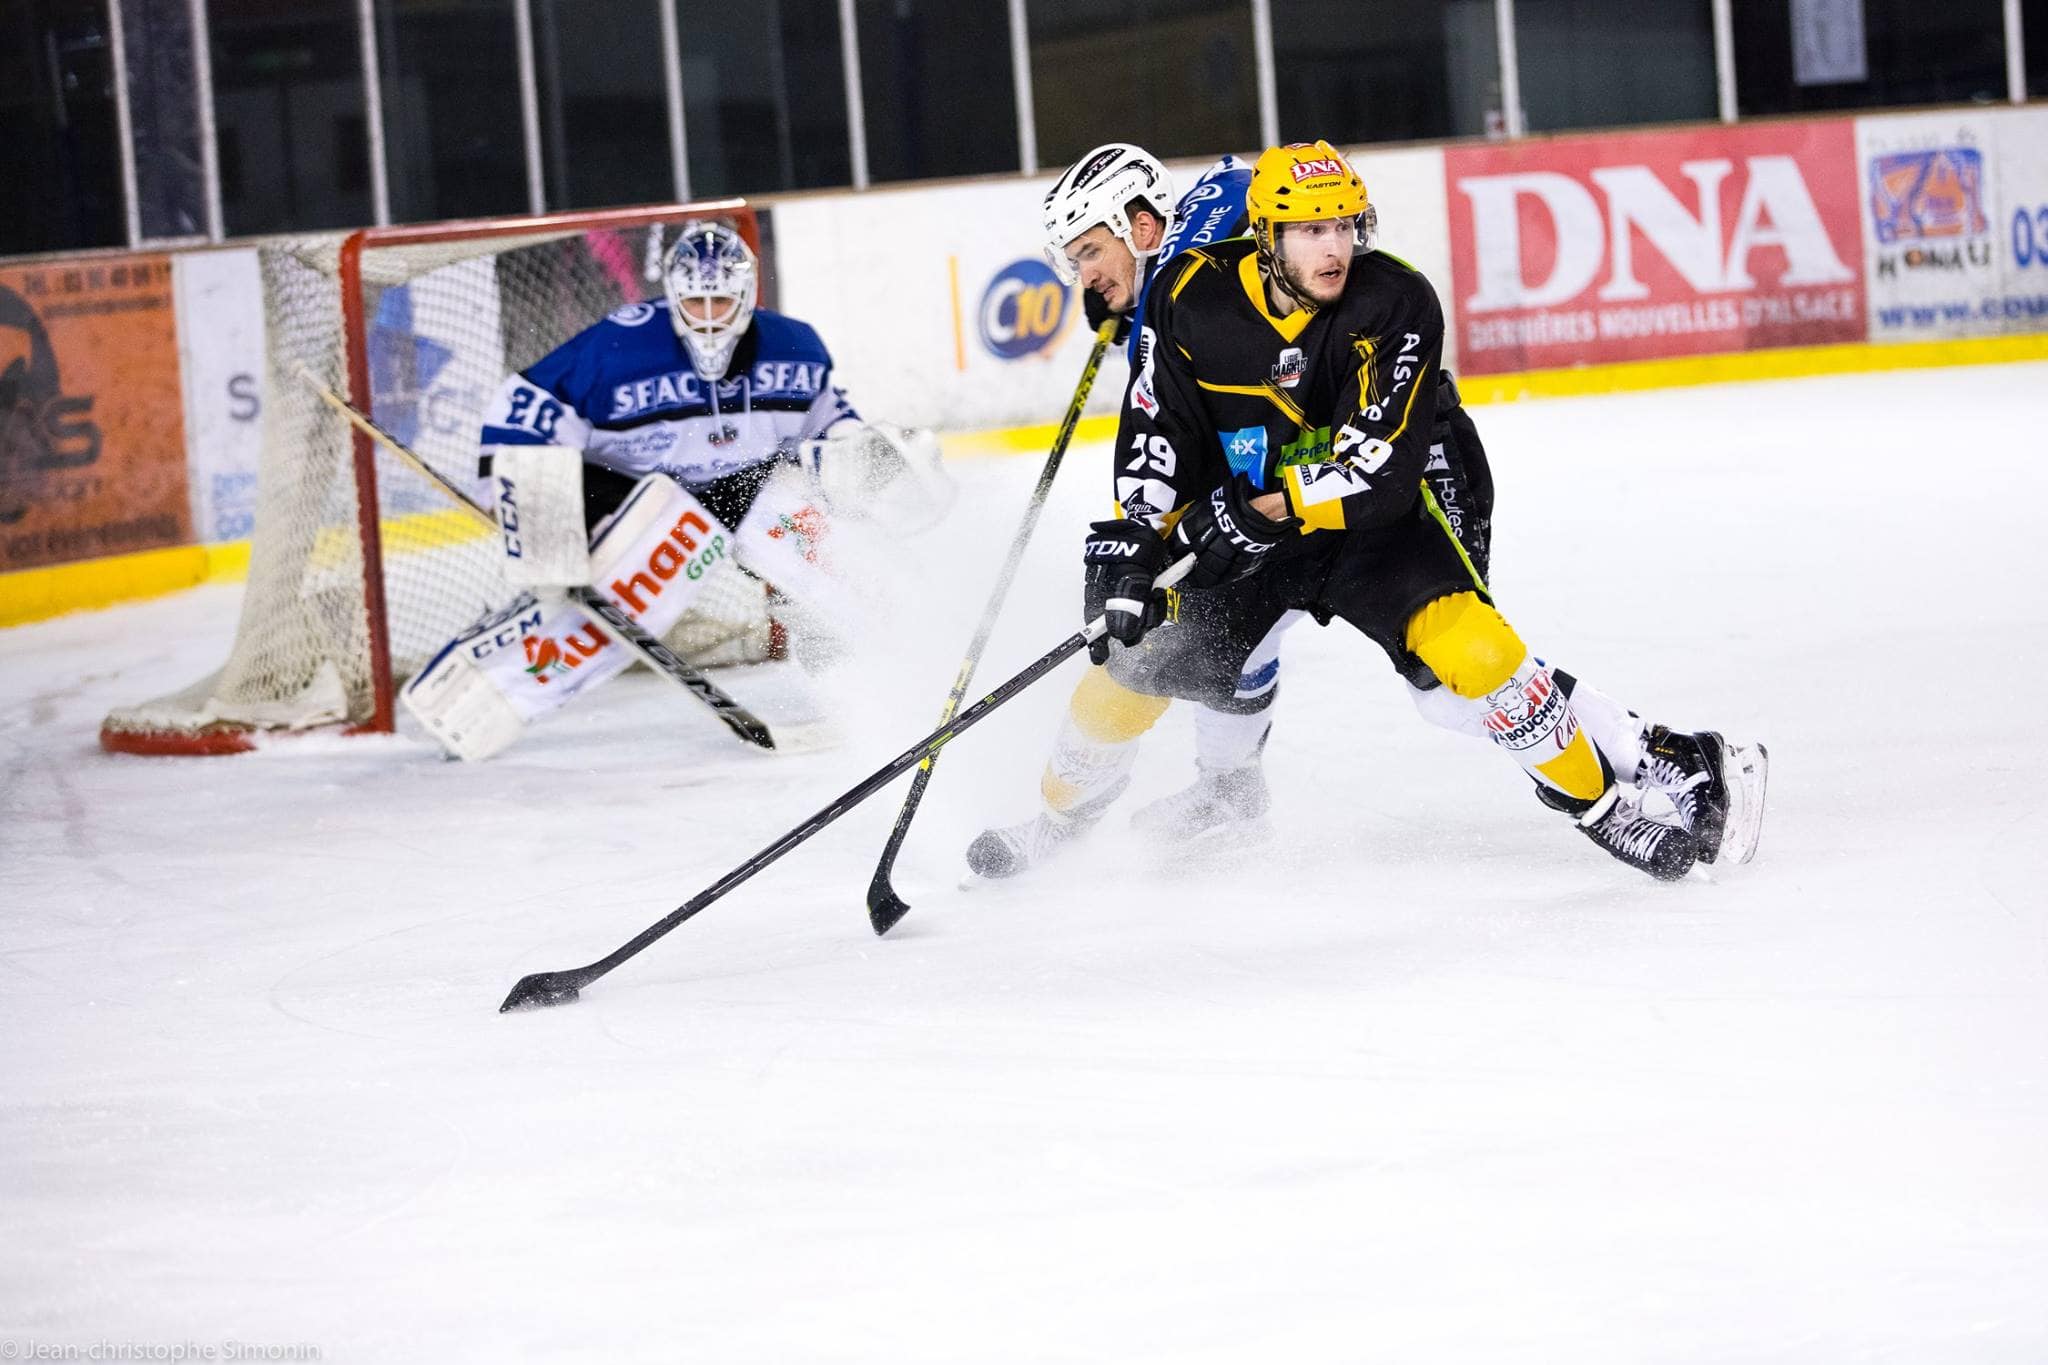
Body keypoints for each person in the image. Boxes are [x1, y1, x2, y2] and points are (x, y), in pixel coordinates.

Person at [973, 143, 1712, 879]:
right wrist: (1139, 531)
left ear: (1139, 224)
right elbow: (1173, 427)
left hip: (1408, 459)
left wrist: (1150, 325)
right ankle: (1225, 796)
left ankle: (1657, 753)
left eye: (1090, 253)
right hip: (1281, 486)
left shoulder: (1213, 254)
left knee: (1450, 678)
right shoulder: (1187, 265)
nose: (1088, 279)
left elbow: (1289, 223)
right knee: (1215, 640)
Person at [401, 218, 945, 760]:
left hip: (743, 486)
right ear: (674, 296)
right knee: (636, 587)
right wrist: (534, 506)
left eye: (721, 302)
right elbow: (526, 407)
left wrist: (868, 457)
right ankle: (481, 694)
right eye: (695, 303)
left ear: (747, 296)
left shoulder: (794, 347)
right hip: (632, 492)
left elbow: (831, 426)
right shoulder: (620, 346)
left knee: (825, 548)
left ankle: (896, 673)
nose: (708, 318)